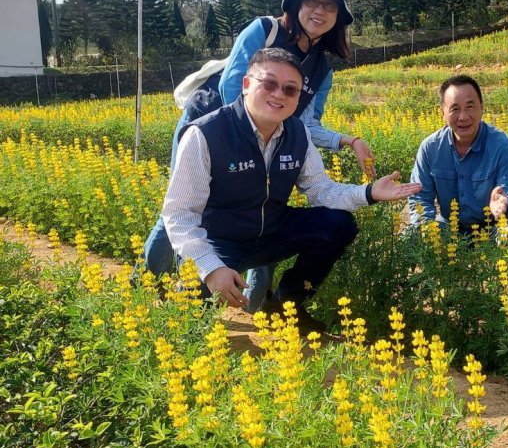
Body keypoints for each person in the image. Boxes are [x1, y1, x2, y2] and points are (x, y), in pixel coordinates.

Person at [143, 0, 375, 301]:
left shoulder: (322, 69)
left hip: (268, 133)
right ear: (295, 4)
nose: (319, 10)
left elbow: (307, 125)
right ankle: (147, 283)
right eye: (312, 0)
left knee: (267, 206)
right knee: (181, 206)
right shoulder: (263, 29)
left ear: (338, 16)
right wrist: (252, 141)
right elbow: (232, 86)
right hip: (211, 124)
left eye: (330, 5)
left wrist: (347, 140)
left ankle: (255, 301)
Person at [162, 47, 419, 330]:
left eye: (290, 89)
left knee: (338, 224)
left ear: (298, 98)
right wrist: (210, 267)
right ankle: (184, 302)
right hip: (221, 241)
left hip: (271, 233)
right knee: (189, 316)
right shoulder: (205, 134)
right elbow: (179, 215)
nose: (278, 95)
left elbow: (320, 190)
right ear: (246, 85)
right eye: (269, 84)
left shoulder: (298, 134)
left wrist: (369, 192)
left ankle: (286, 304)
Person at [408, 73, 508, 250]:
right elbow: (420, 198)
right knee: (410, 238)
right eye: (454, 109)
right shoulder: (430, 148)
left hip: (492, 228)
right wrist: (424, 229)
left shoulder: (503, 146)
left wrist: (504, 204)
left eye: (470, 107)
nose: (463, 116)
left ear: (482, 108)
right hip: (449, 228)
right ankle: (437, 278)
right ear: (443, 113)